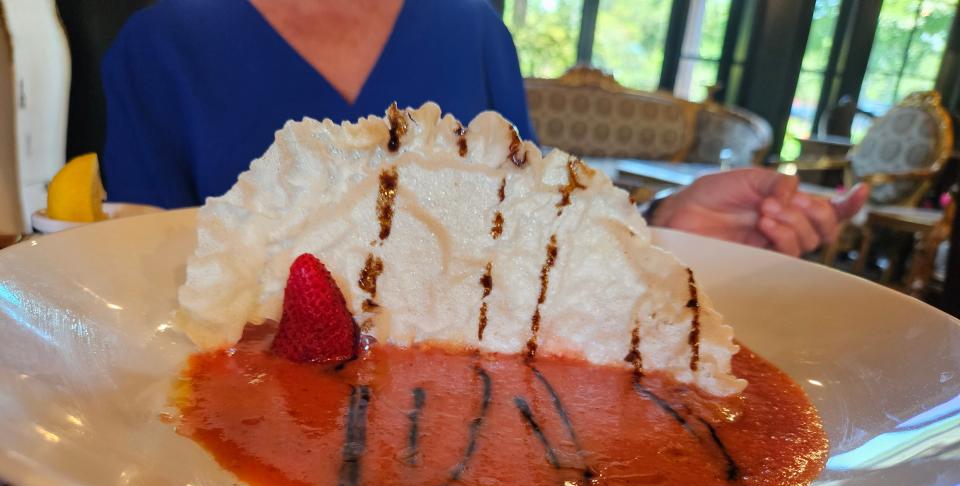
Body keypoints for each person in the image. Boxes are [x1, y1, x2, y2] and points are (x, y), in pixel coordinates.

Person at [102, 0, 867, 256]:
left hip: (456, 435)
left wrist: (666, 227)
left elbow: (522, 238)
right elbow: (137, 275)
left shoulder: (470, 28)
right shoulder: (159, 44)